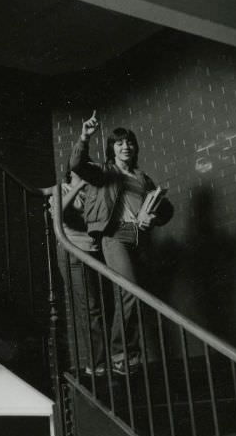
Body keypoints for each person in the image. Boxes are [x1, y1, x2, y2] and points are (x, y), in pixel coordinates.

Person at [70, 111, 172, 375]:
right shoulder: (104, 172)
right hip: (114, 235)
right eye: (119, 143)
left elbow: (166, 210)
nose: (125, 146)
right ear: (111, 149)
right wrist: (84, 136)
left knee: (133, 295)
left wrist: (154, 216)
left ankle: (128, 353)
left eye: (129, 142)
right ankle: (121, 353)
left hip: (140, 238)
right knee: (130, 291)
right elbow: (78, 165)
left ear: (135, 147)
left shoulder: (143, 178)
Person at [53, 167, 106, 376]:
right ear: (71, 173)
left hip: (95, 252)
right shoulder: (62, 189)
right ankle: (95, 363)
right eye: (79, 170)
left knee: (98, 306)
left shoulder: (94, 192)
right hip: (74, 252)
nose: (84, 175)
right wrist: (78, 186)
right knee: (90, 307)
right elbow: (59, 213)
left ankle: (100, 360)